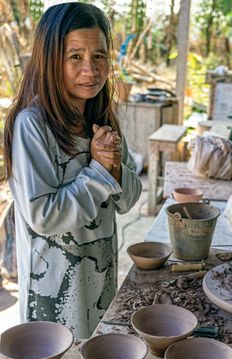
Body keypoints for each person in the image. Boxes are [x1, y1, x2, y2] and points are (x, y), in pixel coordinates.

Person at [3, 2, 142, 339]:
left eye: (99, 56)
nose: (91, 70)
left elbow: (129, 198)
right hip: (53, 293)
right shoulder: (33, 125)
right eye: (75, 57)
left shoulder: (102, 118)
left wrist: (114, 167)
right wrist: (97, 171)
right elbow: (43, 216)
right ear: (50, 60)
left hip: (101, 278)